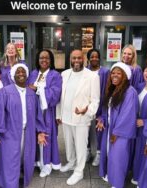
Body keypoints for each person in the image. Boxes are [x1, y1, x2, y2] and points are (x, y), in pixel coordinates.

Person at [0, 64, 48, 187]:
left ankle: (22, 179)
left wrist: (40, 131)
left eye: (23, 72)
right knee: (10, 159)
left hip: (28, 132)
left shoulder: (31, 94)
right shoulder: (5, 92)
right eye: (18, 72)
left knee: (25, 157)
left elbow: (37, 115)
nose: (21, 74)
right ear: (13, 76)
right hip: (10, 133)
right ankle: (9, 184)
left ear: (27, 75)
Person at [56, 49, 100, 185]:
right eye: (74, 58)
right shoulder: (64, 74)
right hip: (66, 116)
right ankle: (71, 162)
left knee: (80, 146)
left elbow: (95, 100)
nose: (76, 61)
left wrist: (87, 110)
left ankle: (79, 171)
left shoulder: (92, 76)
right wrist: (58, 114)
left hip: (81, 118)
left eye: (79, 58)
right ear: (70, 59)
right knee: (68, 143)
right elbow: (59, 97)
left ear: (84, 59)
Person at [97, 62, 138, 188]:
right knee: (110, 154)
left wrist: (117, 132)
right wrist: (101, 119)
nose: (115, 76)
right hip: (110, 129)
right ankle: (111, 175)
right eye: (113, 73)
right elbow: (107, 111)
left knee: (119, 158)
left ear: (125, 76)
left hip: (120, 133)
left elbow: (127, 115)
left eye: (118, 73)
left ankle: (117, 183)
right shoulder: (112, 89)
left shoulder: (130, 92)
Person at [28, 49, 62, 177]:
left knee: (46, 136)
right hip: (33, 111)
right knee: (34, 135)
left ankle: (46, 164)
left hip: (47, 112)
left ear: (51, 60)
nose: (44, 60)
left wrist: (37, 89)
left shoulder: (55, 75)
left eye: (47, 58)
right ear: (38, 59)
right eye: (41, 58)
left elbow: (55, 93)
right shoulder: (33, 74)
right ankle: (37, 161)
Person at [86, 49, 110, 166]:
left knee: (100, 129)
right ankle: (88, 151)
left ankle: (99, 154)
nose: (94, 58)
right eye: (92, 56)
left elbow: (108, 89)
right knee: (86, 130)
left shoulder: (105, 72)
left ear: (99, 58)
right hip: (87, 105)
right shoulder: (85, 71)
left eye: (96, 56)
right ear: (88, 58)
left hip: (101, 104)